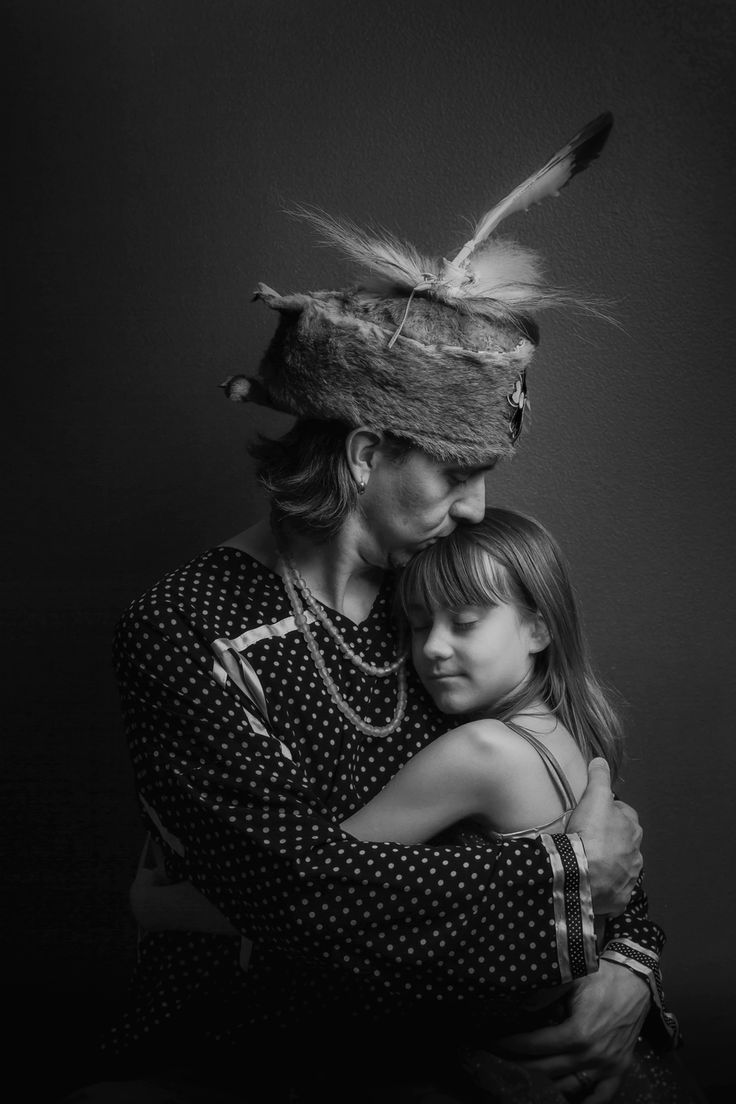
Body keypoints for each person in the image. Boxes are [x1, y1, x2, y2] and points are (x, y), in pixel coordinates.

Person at [64, 115, 679, 1103]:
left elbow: (579, 821)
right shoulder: (187, 629)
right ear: (363, 456)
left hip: (453, 1014)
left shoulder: (438, 600)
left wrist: (626, 967)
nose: (475, 508)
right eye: (457, 475)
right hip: (262, 1038)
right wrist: (567, 884)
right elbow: (303, 893)